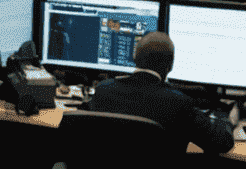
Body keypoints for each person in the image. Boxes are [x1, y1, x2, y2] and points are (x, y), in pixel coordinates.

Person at [84, 31, 234, 160]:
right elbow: (222, 143)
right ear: (170, 66)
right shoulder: (179, 102)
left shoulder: (104, 90)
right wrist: (229, 120)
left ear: (135, 59)